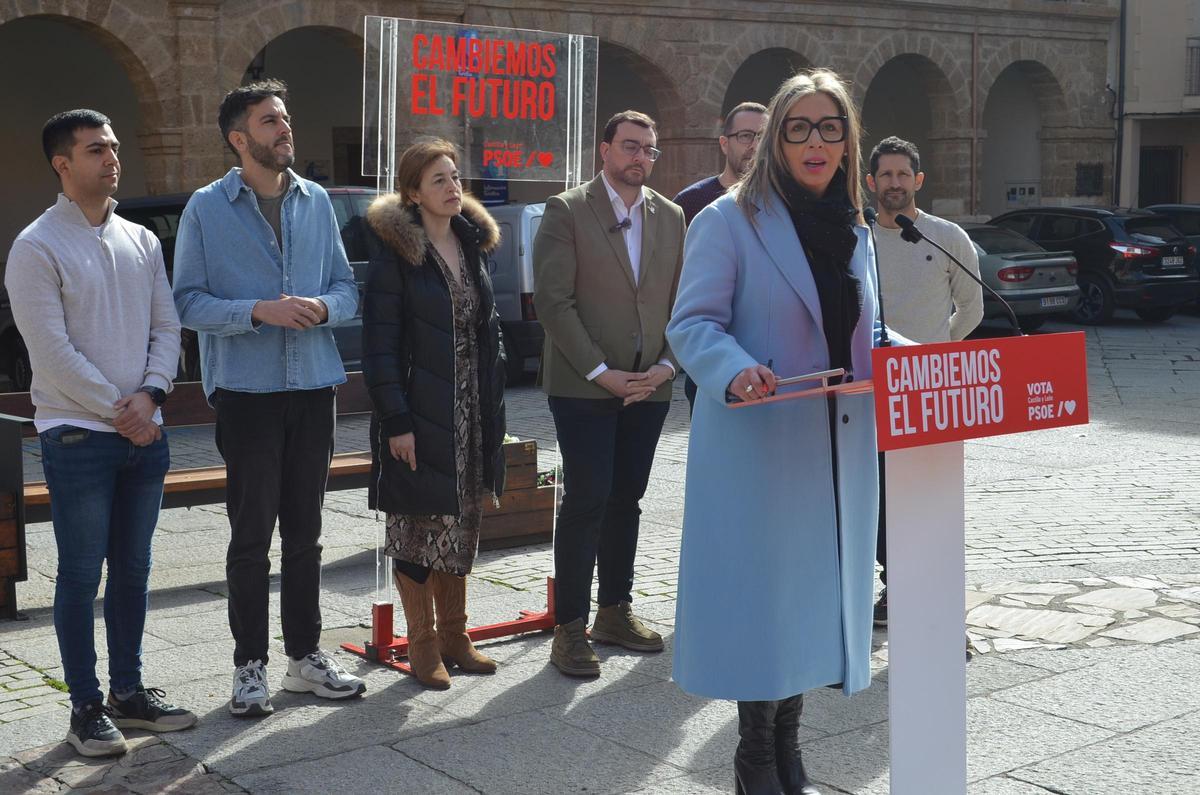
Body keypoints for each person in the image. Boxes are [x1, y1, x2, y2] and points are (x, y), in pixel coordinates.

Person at [667, 70, 888, 795]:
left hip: (836, 443)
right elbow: (691, 324)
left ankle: (791, 749)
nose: (816, 142)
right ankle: (754, 754)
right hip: (762, 442)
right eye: (799, 127)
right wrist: (732, 369)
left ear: (848, 138)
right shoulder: (728, 220)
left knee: (808, 603)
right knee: (766, 602)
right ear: (775, 141)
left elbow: (866, 332)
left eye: (831, 127)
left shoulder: (856, 229)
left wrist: (918, 361)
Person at [5, 109, 195, 757]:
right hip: (79, 440)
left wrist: (152, 395)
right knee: (82, 575)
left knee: (134, 570)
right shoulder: (36, 246)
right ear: (63, 164)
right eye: (95, 150)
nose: (112, 158)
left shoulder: (141, 240)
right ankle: (85, 706)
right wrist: (123, 409)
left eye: (113, 146)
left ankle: (129, 692)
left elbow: (166, 328)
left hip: (146, 433)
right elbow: (50, 352)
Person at [173, 79, 365, 716]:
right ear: (238, 138)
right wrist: (258, 311)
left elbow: (346, 288)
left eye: (285, 117)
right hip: (247, 393)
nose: (284, 129)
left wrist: (321, 307)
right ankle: (248, 666)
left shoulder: (315, 203)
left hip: (313, 385)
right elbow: (187, 302)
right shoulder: (206, 207)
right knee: (250, 534)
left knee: (307, 532)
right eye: (269, 121)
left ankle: (303, 659)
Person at [533, 110, 685, 678]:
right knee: (588, 497)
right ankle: (568, 628)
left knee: (628, 499)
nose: (639, 158)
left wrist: (666, 367)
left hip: (650, 385)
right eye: (629, 147)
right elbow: (553, 303)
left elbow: (682, 302)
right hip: (584, 386)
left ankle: (614, 612)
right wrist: (603, 372)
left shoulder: (670, 217)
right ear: (605, 150)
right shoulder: (567, 211)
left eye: (649, 149)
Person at [361, 139, 507, 690]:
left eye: (454, 177)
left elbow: (485, 331)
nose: (453, 187)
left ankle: (455, 635)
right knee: (419, 528)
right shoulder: (397, 255)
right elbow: (379, 347)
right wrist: (397, 421)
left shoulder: (472, 246)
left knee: (460, 523)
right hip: (420, 413)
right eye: (439, 180)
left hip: (470, 409)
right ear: (413, 193)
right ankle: (422, 644)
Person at [865, 136, 983, 626]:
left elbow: (972, 308)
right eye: (885, 175)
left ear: (918, 181)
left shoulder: (945, 236)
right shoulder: (856, 237)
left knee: (929, 498)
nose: (894, 183)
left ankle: (934, 600)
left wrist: (930, 357)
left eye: (902, 174)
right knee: (874, 496)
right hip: (867, 388)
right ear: (870, 183)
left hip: (928, 391)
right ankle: (895, 583)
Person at [673, 102, 767, 411]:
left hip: (768, 361)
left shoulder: (779, 205)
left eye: (763, 136)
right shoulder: (691, 202)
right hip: (711, 359)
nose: (754, 145)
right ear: (724, 142)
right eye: (745, 136)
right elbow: (673, 281)